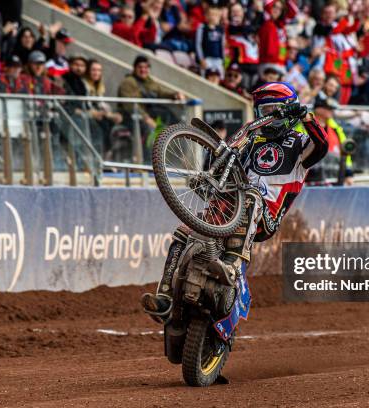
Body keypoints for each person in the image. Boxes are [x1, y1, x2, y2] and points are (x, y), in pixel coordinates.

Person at [141, 82, 332, 320]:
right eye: (264, 112)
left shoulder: (301, 145)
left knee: (252, 195)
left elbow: (323, 144)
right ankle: (165, 297)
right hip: (233, 206)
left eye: (275, 111)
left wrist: (306, 116)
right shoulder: (253, 139)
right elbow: (226, 165)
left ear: (288, 110)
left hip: (266, 215)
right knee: (185, 232)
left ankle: (232, 263)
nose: (270, 118)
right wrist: (214, 169)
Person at [83, 59, 123, 154]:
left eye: (99, 70)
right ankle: (104, 155)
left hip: (100, 115)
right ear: (88, 71)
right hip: (87, 116)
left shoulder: (99, 86)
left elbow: (102, 105)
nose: (97, 73)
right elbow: (87, 106)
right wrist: (100, 114)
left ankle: (109, 154)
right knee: (103, 125)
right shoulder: (84, 85)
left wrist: (111, 115)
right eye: (94, 70)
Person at [195, 2, 225, 78]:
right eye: (211, 14)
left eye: (215, 15)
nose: (213, 17)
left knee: (219, 78)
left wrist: (222, 59)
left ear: (219, 17)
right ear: (206, 15)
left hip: (218, 59)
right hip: (206, 58)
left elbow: (222, 45)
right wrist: (201, 59)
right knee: (206, 77)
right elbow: (198, 44)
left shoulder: (221, 29)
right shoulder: (202, 27)